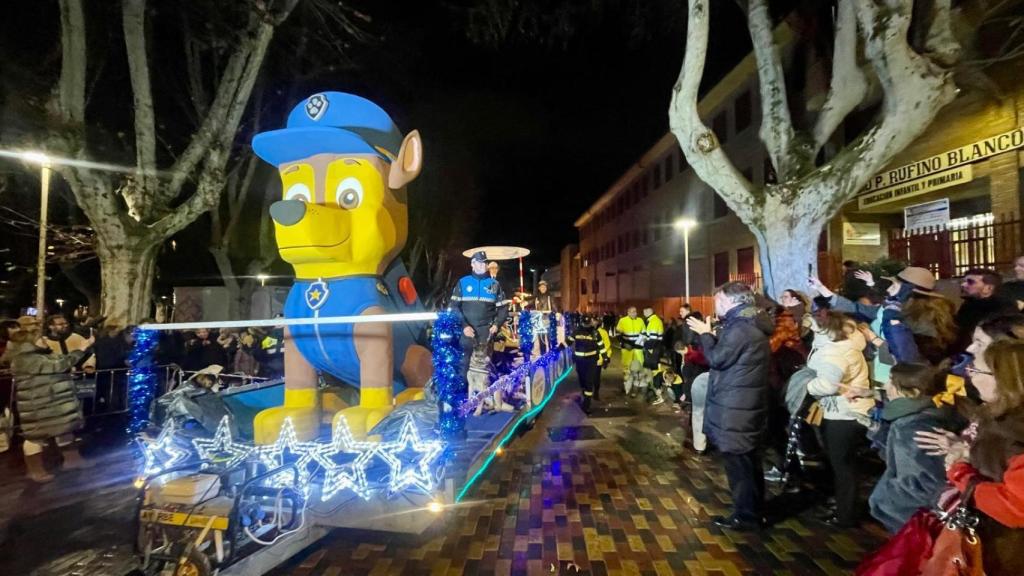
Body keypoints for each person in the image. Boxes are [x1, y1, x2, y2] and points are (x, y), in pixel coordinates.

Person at [686, 281, 771, 531]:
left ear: (732, 301)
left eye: (719, 301)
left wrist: (705, 333)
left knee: (739, 466)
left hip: (737, 408)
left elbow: (717, 358)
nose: (716, 305)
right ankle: (753, 512)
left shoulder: (741, 329)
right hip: (744, 405)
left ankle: (746, 517)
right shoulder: (748, 324)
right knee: (748, 463)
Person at [942, 339, 1024, 574]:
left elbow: (1017, 508)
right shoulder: (999, 417)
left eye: (976, 369)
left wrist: (961, 473)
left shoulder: (1016, 433)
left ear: (1004, 380)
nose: (969, 375)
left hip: (1007, 552)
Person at [868, 362, 962, 533]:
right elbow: (897, 460)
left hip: (913, 524)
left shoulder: (913, 427)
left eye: (891, 381)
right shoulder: (925, 414)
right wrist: (876, 429)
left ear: (912, 393)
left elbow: (923, 484)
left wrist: (883, 499)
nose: (885, 386)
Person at [2, 316, 95, 482]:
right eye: (40, 338)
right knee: (36, 437)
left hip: (53, 402)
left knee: (64, 429)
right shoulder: (26, 358)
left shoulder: (42, 354)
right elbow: (59, 365)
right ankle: (35, 470)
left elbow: (60, 361)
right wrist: (81, 349)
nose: (44, 340)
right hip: (38, 404)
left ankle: (72, 460)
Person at [805, 311, 873, 527]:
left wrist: (805, 385)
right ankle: (845, 506)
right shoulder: (847, 343)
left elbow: (827, 384)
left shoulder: (833, 352)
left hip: (844, 414)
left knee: (842, 465)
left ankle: (845, 515)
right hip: (852, 411)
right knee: (846, 464)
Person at [451, 250, 508, 385]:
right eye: (479, 263)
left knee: (485, 367)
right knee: (464, 364)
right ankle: (464, 398)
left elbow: (503, 309)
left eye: (485, 263)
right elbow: (454, 307)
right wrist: (464, 326)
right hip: (466, 333)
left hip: (486, 334)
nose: (482, 266)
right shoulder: (463, 282)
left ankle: (483, 399)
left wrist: (496, 325)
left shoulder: (494, 285)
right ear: (472, 264)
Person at [954, 267, 1013, 353]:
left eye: (970, 282)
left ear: (988, 288)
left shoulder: (1003, 308)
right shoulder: (968, 305)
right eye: (964, 281)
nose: (963, 285)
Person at [567, 316, 606, 414]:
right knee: (582, 380)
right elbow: (568, 341)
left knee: (589, 382)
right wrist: (559, 348)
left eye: (588, 324)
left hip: (591, 361)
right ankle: (585, 392)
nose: (586, 325)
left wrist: (605, 358)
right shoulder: (576, 331)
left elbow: (601, 346)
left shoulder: (595, 333)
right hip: (580, 361)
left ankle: (586, 405)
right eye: (585, 324)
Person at [615, 307, 645, 396]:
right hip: (626, 348)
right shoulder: (622, 321)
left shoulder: (640, 321)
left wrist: (636, 344)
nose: (634, 313)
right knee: (626, 368)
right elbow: (618, 334)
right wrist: (624, 344)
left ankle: (635, 388)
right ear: (628, 312)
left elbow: (643, 333)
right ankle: (626, 387)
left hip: (637, 348)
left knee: (638, 368)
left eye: (635, 311)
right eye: (632, 312)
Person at [638, 307, 664, 399]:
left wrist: (643, 344)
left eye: (644, 311)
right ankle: (655, 388)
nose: (643, 313)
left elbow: (652, 339)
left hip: (653, 350)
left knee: (654, 370)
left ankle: (657, 390)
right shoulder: (654, 320)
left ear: (647, 312)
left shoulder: (653, 322)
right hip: (655, 349)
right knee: (654, 369)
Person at [594, 317, 612, 401]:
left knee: (596, 378)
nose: (593, 323)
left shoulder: (603, 332)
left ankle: (596, 393)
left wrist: (606, 358)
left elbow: (607, 346)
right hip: (587, 360)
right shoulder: (586, 331)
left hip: (598, 360)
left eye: (594, 321)